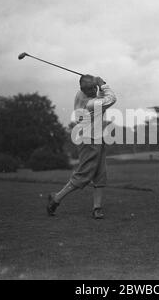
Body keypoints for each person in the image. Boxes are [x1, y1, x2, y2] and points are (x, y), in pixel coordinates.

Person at [46, 75, 116, 219]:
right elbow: (112, 98)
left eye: (93, 88)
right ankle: (56, 198)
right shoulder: (91, 103)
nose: (92, 91)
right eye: (89, 89)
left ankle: (97, 208)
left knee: (100, 173)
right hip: (89, 139)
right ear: (82, 89)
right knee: (84, 174)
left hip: (97, 137)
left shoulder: (79, 94)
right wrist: (102, 84)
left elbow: (100, 95)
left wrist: (95, 82)